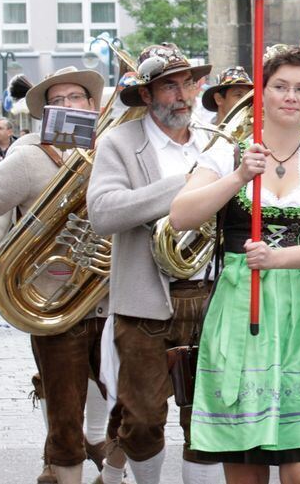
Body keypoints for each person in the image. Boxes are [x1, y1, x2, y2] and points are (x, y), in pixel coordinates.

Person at [170, 44, 300, 483]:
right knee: (246, 472)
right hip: (239, 312)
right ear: (263, 94)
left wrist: (279, 257)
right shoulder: (226, 155)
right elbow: (181, 215)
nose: (291, 96)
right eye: (280, 86)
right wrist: (239, 177)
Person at [86, 43, 220, 484]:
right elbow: (103, 212)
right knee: (142, 422)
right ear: (146, 95)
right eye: (169, 87)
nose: (183, 95)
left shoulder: (217, 142)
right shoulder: (119, 142)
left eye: (188, 83)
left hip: (213, 295)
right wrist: (183, 186)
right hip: (146, 302)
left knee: (206, 420)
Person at [0, 68, 124, 484]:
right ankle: (64, 469)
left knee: (132, 404)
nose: (69, 106)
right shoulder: (29, 155)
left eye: (76, 98)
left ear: (92, 106)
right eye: (59, 101)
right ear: (46, 112)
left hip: (111, 297)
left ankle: (110, 463)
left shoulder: (114, 148)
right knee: (65, 411)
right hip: (54, 301)